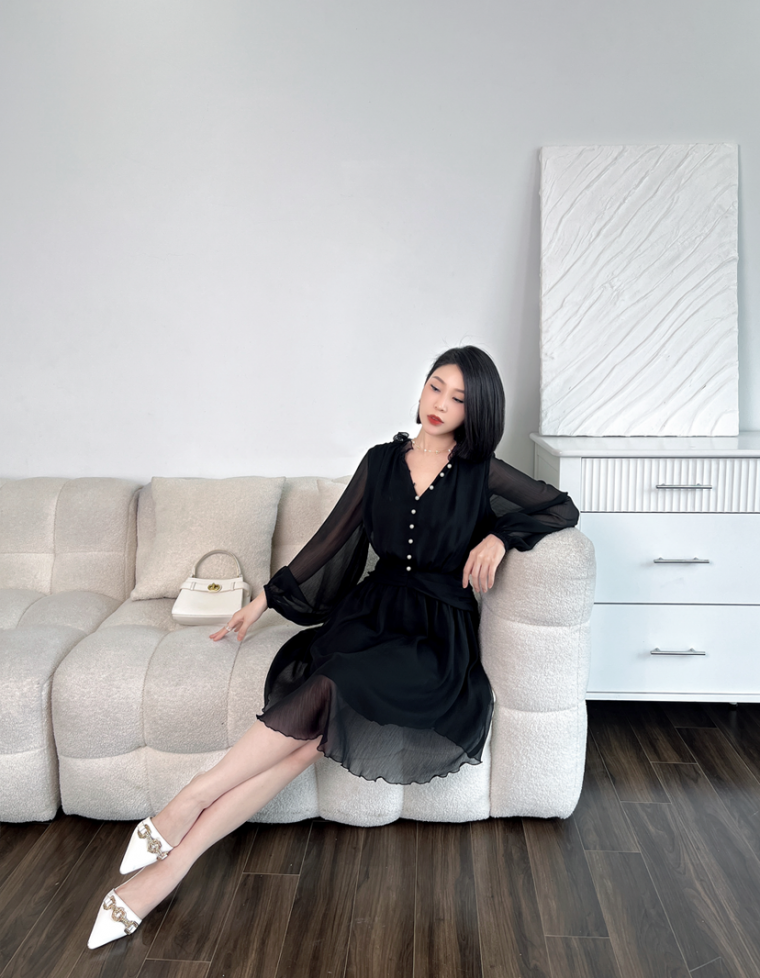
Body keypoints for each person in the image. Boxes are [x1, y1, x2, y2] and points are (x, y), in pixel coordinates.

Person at [87, 345, 579, 949]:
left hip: (432, 637)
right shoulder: (380, 461)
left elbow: (559, 506)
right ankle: (171, 869)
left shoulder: (483, 472)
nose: (440, 404)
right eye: (435, 387)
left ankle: (188, 800)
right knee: (303, 746)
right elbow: (330, 539)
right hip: (369, 618)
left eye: (458, 399)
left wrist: (500, 537)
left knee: (328, 685)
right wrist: (264, 600)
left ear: (475, 412)